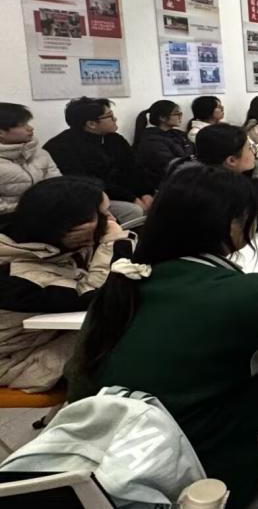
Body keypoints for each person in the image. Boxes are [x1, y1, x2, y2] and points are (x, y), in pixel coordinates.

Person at [66, 165, 258, 509]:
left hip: (113, 469)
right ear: (233, 224)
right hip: (212, 478)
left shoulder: (120, 288)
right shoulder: (245, 298)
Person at [0, 177, 132, 392]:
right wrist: (113, 243)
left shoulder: (51, 246)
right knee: (132, 338)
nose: (111, 220)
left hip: (48, 340)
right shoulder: (16, 276)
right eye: (102, 214)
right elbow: (96, 297)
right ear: (69, 226)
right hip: (17, 361)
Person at [44, 97, 151, 227]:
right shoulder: (61, 147)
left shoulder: (114, 139)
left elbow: (134, 169)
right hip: (93, 199)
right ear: (91, 124)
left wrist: (145, 193)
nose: (115, 119)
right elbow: (87, 183)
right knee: (134, 211)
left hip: (123, 194)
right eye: (110, 116)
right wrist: (132, 198)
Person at [195, 124, 258, 230]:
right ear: (232, 161)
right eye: (249, 148)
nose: (254, 152)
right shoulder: (203, 194)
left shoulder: (248, 181)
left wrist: (253, 221)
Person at [0, 102, 61, 218]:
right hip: (8, 220)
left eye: (27, 123)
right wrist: (30, 207)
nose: (30, 128)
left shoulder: (40, 153)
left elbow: (57, 185)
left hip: (46, 214)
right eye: (22, 125)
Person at [133, 100, 193, 194]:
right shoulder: (151, 140)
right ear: (162, 118)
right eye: (177, 114)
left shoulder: (179, 134)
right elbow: (170, 164)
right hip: (166, 184)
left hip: (185, 177)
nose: (180, 116)